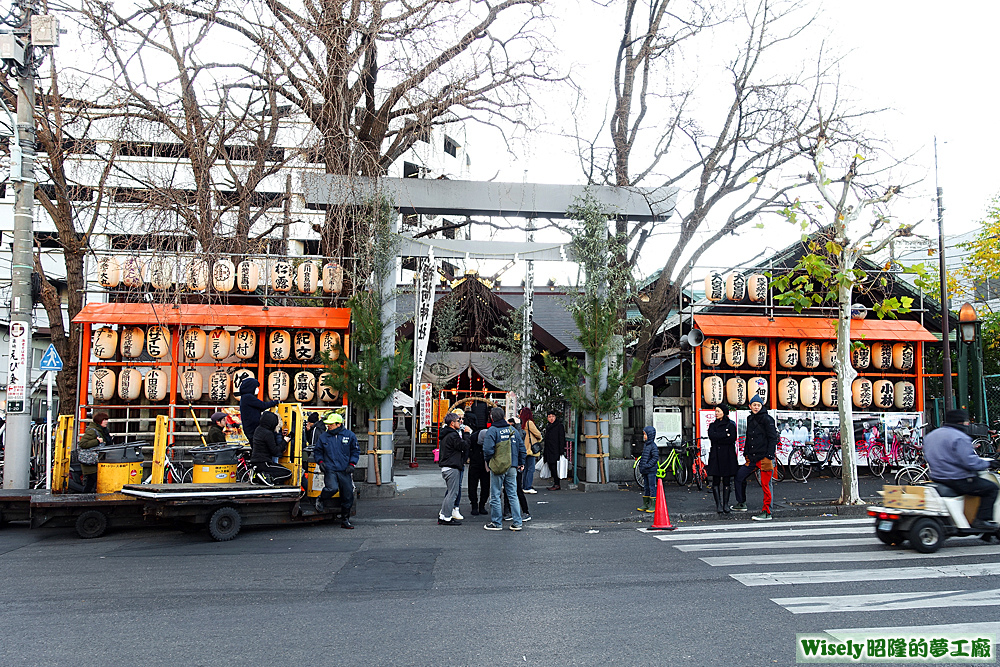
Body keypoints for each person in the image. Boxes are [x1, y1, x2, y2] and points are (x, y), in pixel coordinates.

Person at [924, 409, 999, 532]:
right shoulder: (959, 437)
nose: (967, 424)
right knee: (991, 489)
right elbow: (970, 462)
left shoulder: (932, 435)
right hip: (958, 480)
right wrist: (990, 463)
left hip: (937, 477)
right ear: (960, 422)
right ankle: (982, 520)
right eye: (965, 422)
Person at [733, 395, 778, 520]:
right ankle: (741, 502)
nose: (756, 407)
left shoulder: (767, 419)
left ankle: (767, 511)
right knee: (739, 476)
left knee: (766, 485)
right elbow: (748, 437)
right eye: (754, 405)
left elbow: (772, 438)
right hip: (752, 457)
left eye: (758, 405)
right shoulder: (749, 418)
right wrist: (746, 453)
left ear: (762, 406)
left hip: (764, 458)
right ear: (750, 406)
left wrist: (769, 455)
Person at [313, 412, 360, 528]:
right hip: (330, 469)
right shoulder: (324, 436)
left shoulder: (349, 435)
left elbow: (355, 451)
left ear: (339, 424)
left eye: (331, 424)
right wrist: (320, 462)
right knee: (332, 488)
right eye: (328, 424)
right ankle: (321, 498)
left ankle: (345, 519)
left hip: (345, 470)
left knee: (348, 494)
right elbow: (317, 451)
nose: (328, 426)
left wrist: (352, 464)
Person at [483, 407, 526, 531]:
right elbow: (521, 448)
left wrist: (489, 461)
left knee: (496, 494)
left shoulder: (492, 430)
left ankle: (497, 523)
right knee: (512, 494)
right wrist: (521, 462)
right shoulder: (512, 430)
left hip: (498, 466)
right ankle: (517, 522)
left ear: (492, 417)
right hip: (512, 466)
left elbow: (487, 449)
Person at [437, 412, 470, 525]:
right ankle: (446, 517)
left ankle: (443, 516)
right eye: (458, 420)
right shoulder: (453, 435)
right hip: (452, 467)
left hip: (446, 467)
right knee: (452, 493)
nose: (460, 422)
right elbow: (464, 445)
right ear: (452, 423)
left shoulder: (446, 434)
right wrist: (466, 434)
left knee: (450, 493)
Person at [707, 405, 739, 514]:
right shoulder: (712, 425)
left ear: (724, 412)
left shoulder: (730, 424)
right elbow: (712, 436)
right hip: (716, 455)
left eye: (718, 411)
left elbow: (732, 438)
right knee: (715, 480)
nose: (716, 413)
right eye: (715, 411)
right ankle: (718, 505)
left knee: (727, 480)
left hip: (727, 455)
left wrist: (720, 436)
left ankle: (725, 504)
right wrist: (725, 435)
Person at [249, 411, 292, 484]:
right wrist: (285, 441)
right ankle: (266, 476)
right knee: (288, 473)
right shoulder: (268, 433)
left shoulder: (258, 429)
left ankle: (257, 476)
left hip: (256, 462)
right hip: (264, 463)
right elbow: (275, 451)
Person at [78, 413, 111, 493]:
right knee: (92, 481)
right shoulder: (92, 431)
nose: (106, 422)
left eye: (106, 420)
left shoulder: (102, 430)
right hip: (91, 461)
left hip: (95, 461)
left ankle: (85, 499)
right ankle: (86, 499)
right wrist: (97, 441)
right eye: (104, 420)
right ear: (99, 421)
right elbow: (82, 443)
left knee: (90, 482)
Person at [636, 425, 658, 513]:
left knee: (651, 486)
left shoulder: (653, 446)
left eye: (645, 434)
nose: (644, 436)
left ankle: (653, 505)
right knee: (646, 487)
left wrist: (648, 465)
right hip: (646, 469)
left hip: (651, 470)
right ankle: (646, 504)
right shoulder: (646, 445)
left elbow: (655, 457)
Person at [542, 409, 566, 491]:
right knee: (551, 467)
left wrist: (561, 451)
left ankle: (557, 484)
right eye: (549, 417)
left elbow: (562, 439)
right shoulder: (548, 426)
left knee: (555, 467)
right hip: (548, 450)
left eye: (553, 416)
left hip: (556, 451)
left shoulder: (559, 426)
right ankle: (555, 483)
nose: (551, 418)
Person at [522, 415, 542, 493]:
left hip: (524, 449)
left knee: (525, 469)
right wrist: (539, 438)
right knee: (531, 468)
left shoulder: (522, 423)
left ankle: (524, 485)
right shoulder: (529, 422)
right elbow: (537, 433)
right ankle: (528, 487)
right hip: (530, 449)